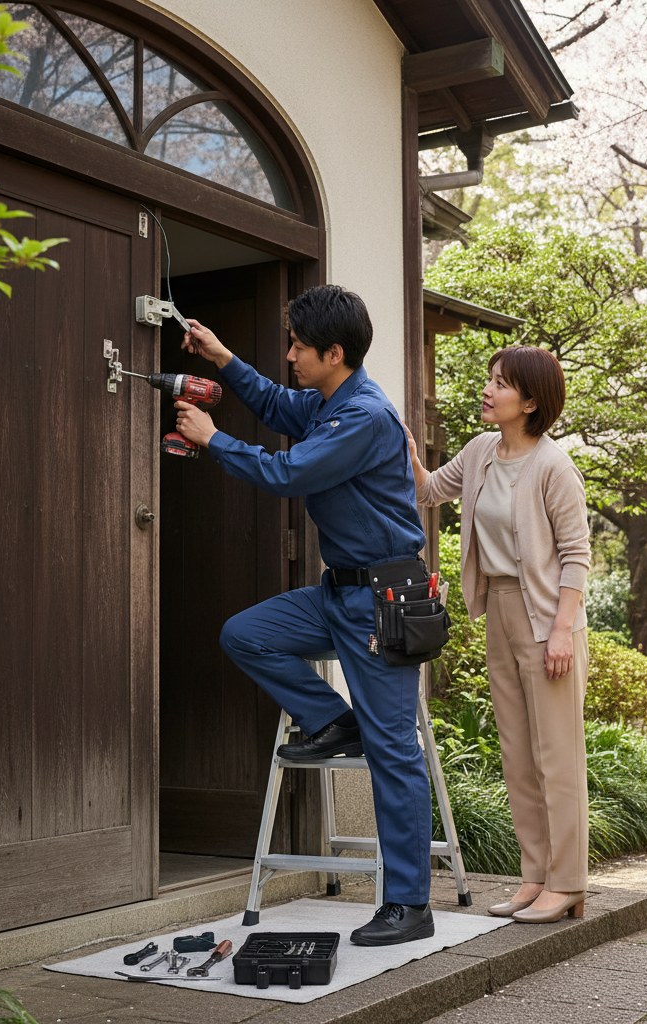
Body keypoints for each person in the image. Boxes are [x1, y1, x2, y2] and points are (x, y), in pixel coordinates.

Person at [174, 284, 436, 946]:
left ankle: (409, 905)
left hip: (382, 602)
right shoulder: (328, 402)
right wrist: (221, 355)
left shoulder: (363, 417)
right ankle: (335, 720)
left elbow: (288, 473)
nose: (289, 355)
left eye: (297, 346)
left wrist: (213, 439)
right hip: (337, 594)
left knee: (394, 753)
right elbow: (272, 402)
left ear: (334, 353)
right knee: (246, 634)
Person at [407, 346, 591, 923]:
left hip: (549, 620)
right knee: (516, 755)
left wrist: (561, 632)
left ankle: (568, 883)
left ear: (531, 402)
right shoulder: (481, 450)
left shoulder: (554, 466)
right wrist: (405, 452)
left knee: (556, 756)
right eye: (490, 379)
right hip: (502, 611)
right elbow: (430, 490)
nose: (488, 390)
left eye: (501, 384)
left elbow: (577, 555)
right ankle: (534, 877)